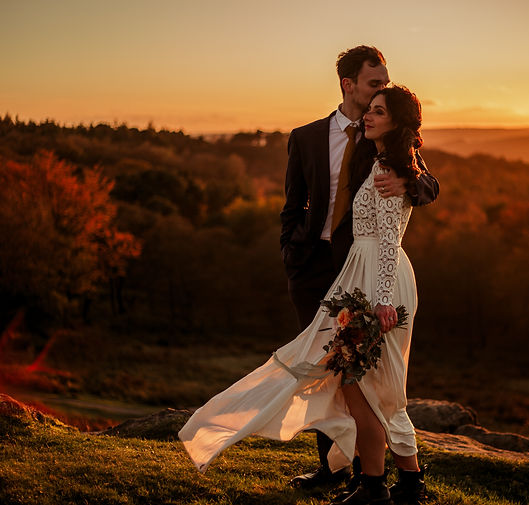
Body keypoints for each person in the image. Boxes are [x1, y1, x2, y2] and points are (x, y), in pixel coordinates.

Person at [179, 83, 432, 505]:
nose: (368, 116)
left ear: (397, 122)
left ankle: (374, 489)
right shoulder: (382, 163)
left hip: (376, 281)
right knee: (371, 384)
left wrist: (383, 300)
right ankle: (406, 483)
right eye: (369, 108)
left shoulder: (391, 171)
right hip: (360, 275)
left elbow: (389, 241)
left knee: (359, 383)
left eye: (379, 112)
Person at [280, 45, 438, 492]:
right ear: (348, 84)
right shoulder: (307, 136)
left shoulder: (381, 138)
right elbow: (292, 205)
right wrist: (291, 256)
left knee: (360, 375)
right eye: (374, 83)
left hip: (366, 272)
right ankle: (334, 469)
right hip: (314, 270)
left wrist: (410, 180)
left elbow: (426, 183)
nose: (380, 90)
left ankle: (369, 478)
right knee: (323, 369)